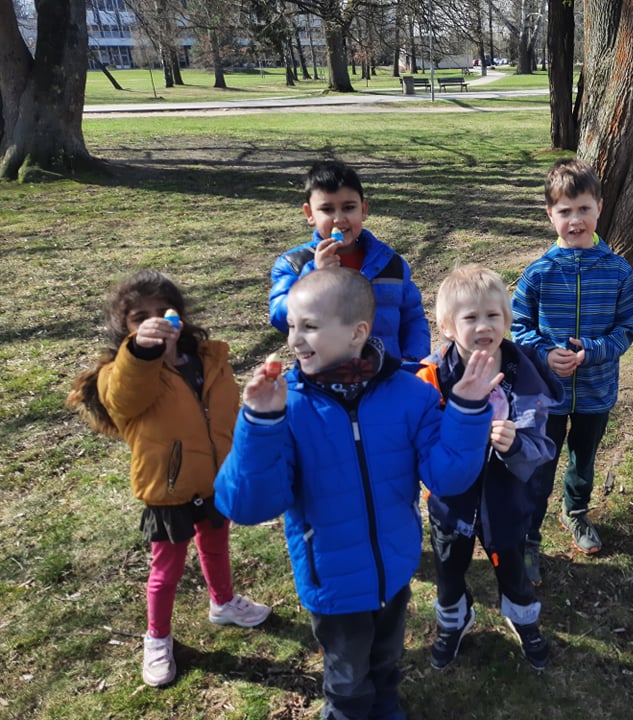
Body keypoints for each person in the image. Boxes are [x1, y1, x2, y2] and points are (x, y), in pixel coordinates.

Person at [215, 267, 501, 720]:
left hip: (395, 568)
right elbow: (247, 506)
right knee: (347, 679)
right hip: (333, 580)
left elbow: (448, 478)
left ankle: (386, 705)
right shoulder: (287, 404)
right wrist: (260, 424)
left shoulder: (410, 395)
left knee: (386, 661)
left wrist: (466, 410)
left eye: (309, 326)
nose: (294, 339)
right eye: (292, 325)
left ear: (357, 333)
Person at [66, 270, 270, 688]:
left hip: (214, 478)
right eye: (140, 317)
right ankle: (157, 637)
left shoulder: (207, 359)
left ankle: (223, 602)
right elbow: (126, 396)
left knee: (216, 545)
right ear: (124, 328)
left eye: (164, 311)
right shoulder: (122, 373)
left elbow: (225, 411)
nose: (155, 321)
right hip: (168, 486)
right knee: (167, 569)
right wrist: (142, 353)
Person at [416, 265, 563, 671]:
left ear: (507, 319)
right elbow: (420, 443)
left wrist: (516, 445)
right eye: (470, 317)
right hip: (450, 502)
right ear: (447, 326)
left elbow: (543, 446)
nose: (483, 326)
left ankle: (523, 618)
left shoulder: (525, 375)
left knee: (513, 569)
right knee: (449, 569)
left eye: (493, 315)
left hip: (507, 499)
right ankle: (454, 620)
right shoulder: (430, 378)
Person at [511, 158, 633, 579]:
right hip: (546, 395)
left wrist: (594, 351)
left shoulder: (618, 271)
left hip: (595, 392)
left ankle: (576, 512)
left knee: (582, 461)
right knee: (539, 467)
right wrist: (545, 355)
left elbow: (629, 328)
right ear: (550, 214)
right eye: (565, 211)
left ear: (599, 208)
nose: (575, 220)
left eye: (584, 209)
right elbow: (518, 328)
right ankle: (528, 535)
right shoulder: (538, 273)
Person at [268, 159, 430, 362]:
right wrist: (315, 277)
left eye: (348, 207)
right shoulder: (294, 264)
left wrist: (413, 362)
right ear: (310, 214)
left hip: (388, 373)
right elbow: (280, 317)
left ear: (363, 210)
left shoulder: (391, 263)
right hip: (326, 373)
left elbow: (413, 319)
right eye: (327, 209)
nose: (339, 218)